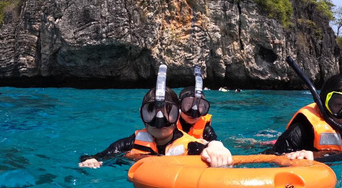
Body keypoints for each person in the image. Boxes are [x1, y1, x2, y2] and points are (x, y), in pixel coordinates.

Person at [78, 68, 232, 169]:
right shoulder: (131, 142)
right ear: (142, 115)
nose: (160, 121)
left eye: (168, 112)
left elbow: (205, 149)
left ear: (177, 116)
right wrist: (91, 159)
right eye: (151, 112)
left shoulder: (189, 145)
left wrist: (215, 148)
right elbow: (100, 155)